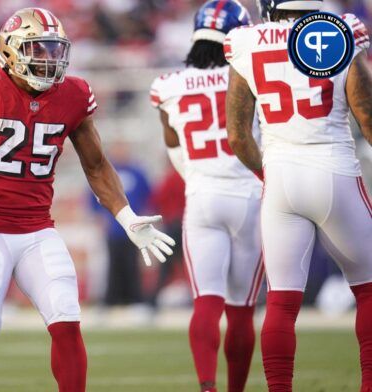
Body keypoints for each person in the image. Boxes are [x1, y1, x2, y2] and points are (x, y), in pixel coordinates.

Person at [0, 7, 176, 392]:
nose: (49, 59)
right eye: (39, 49)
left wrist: (126, 215)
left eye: (54, 50)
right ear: (12, 51)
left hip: (38, 230)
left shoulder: (74, 95)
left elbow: (97, 165)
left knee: (66, 319)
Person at [224, 0, 372, 390]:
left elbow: (237, 135)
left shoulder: (246, 41)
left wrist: (266, 175)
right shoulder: (341, 32)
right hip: (335, 171)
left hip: (281, 178)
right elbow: (368, 115)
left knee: (281, 302)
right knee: (369, 288)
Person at [150, 2, 262, 391]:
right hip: (250, 196)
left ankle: (207, 388)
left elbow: (173, 145)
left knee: (206, 303)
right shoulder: (250, 74)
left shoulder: (167, 85)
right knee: (242, 311)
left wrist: (196, 175)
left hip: (202, 198)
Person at [88, 143, 152, 307]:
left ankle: (135, 300)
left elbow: (148, 196)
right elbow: (92, 195)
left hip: (134, 228)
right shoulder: (105, 173)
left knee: (132, 264)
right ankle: (111, 300)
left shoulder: (137, 172)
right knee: (113, 264)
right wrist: (99, 218)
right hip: (113, 228)